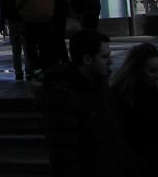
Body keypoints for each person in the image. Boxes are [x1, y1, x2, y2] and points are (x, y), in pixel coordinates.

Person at [41, 29, 138, 176]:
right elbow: (64, 156)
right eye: (104, 57)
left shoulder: (100, 87)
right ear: (87, 59)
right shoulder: (64, 97)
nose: (110, 61)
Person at [110, 42, 158, 175]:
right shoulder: (128, 97)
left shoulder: (149, 91)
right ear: (137, 69)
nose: (157, 75)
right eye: (152, 70)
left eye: (157, 70)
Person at [0, 0, 26, 80]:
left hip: (13, 21)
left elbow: (2, 8)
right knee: (28, 48)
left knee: (16, 49)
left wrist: (2, 22)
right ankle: (30, 70)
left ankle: (18, 71)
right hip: (25, 19)